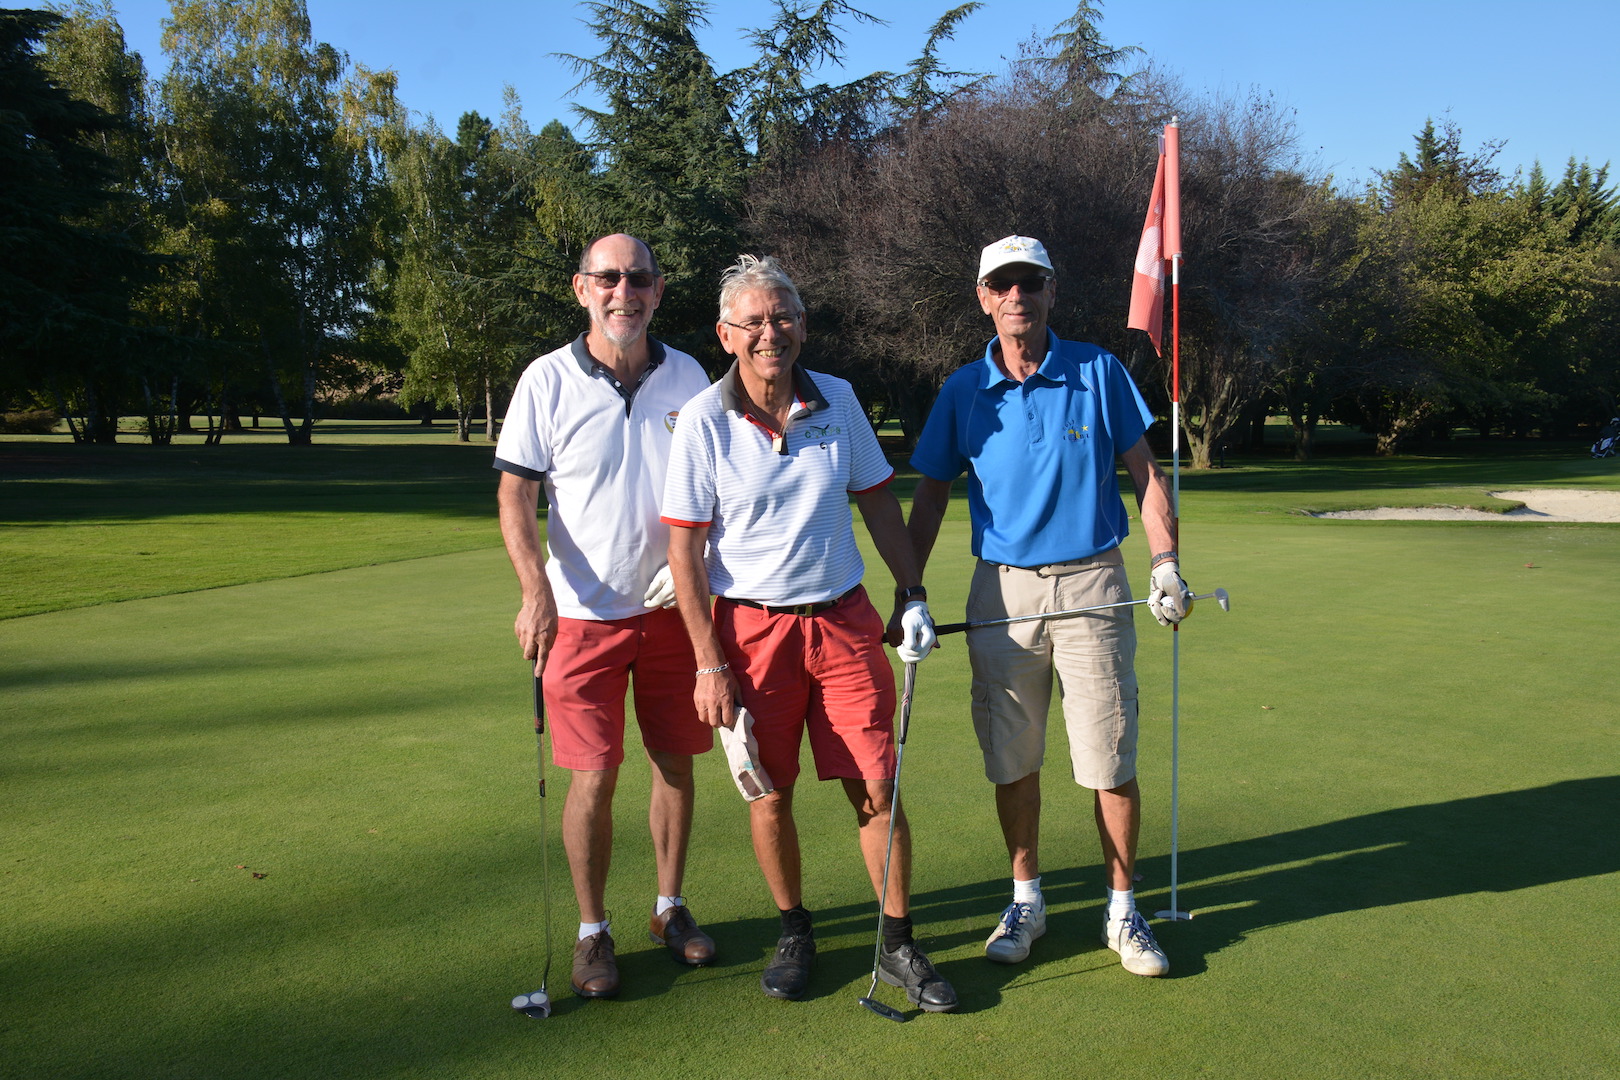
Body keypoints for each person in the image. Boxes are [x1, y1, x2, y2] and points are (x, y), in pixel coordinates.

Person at [660, 254, 955, 1012]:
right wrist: (706, 663)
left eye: (783, 317)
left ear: (803, 325)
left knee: (878, 785)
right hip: (751, 635)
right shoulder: (702, 421)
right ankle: (796, 930)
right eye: (753, 321)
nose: (771, 333)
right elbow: (684, 555)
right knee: (770, 794)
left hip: (845, 622)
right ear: (726, 334)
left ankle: (897, 943)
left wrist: (913, 591)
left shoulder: (841, 401)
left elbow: (880, 503)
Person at [902, 235, 1193, 978]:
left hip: (1095, 580)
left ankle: (1124, 912)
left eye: (1031, 283)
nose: (1017, 297)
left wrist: (1165, 562)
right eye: (1002, 285)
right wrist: (911, 592)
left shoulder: (1096, 370)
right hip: (1002, 590)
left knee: (1108, 755)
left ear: (1051, 292)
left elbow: (1145, 471)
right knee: (1012, 757)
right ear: (983, 298)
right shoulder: (963, 390)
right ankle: (1026, 898)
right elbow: (931, 493)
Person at [495, 233, 717, 1000]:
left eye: (641, 279)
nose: (626, 291)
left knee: (676, 765)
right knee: (592, 778)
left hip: (669, 612)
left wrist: (703, 566)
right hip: (581, 617)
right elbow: (516, 495)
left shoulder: (688, 376)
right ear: (582, 288)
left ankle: (668, 907)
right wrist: (536, 590)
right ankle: (593, 931)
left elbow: (719, 486)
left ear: (658, 291)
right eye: (609, 278)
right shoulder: (547, 380)